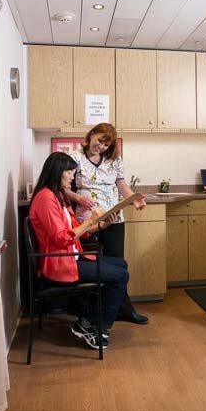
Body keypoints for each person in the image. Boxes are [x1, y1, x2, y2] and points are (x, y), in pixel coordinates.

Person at [29, 152, 129, 350]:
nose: (73, 177)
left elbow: (79, 233)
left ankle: (88, 321)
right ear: (58, 172)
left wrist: (101, 225)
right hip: (59, 263)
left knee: (121, 265)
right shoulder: (45, 198)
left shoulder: (58, 197)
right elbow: (61, 237)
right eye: (70, 173)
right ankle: (96, 327)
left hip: (70, 256)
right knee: (120, 276)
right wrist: (91, 221)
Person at [67, 123, 149, 325]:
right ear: (92, 134)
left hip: (114, 219)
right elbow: (64, 187)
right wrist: (78, 198)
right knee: (93, 265)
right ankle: (91, 312)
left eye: (106, 144)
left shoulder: (114, 160)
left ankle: (124, 309)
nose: (102, 146)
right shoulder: (75, 157)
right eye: (100, 141)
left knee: (117, 265)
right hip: (88, 222)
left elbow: (122, 185)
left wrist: (134, 199)